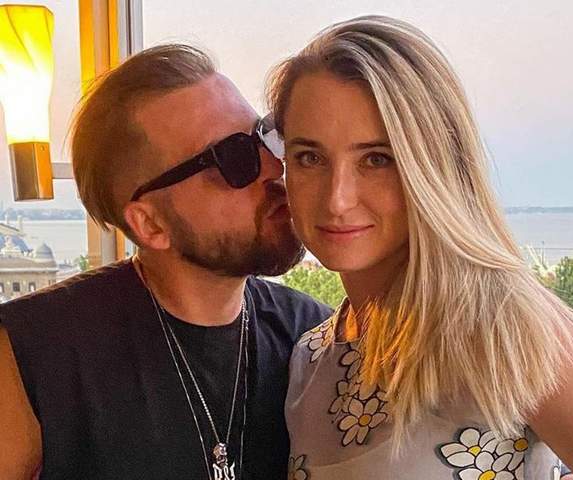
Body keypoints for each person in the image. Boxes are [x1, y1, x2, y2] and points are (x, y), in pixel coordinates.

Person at [266, 15, 573, 480]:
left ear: (436, 167)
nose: (337, 199)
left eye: (377, 159)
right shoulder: (310, 359)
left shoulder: (505, 331)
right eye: (310, 158)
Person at [0, 44, 331, 480]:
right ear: (150, 224)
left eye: (263, 137)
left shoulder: (314, 337)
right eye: (233, 157)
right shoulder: (32, 355)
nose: (274, 167)